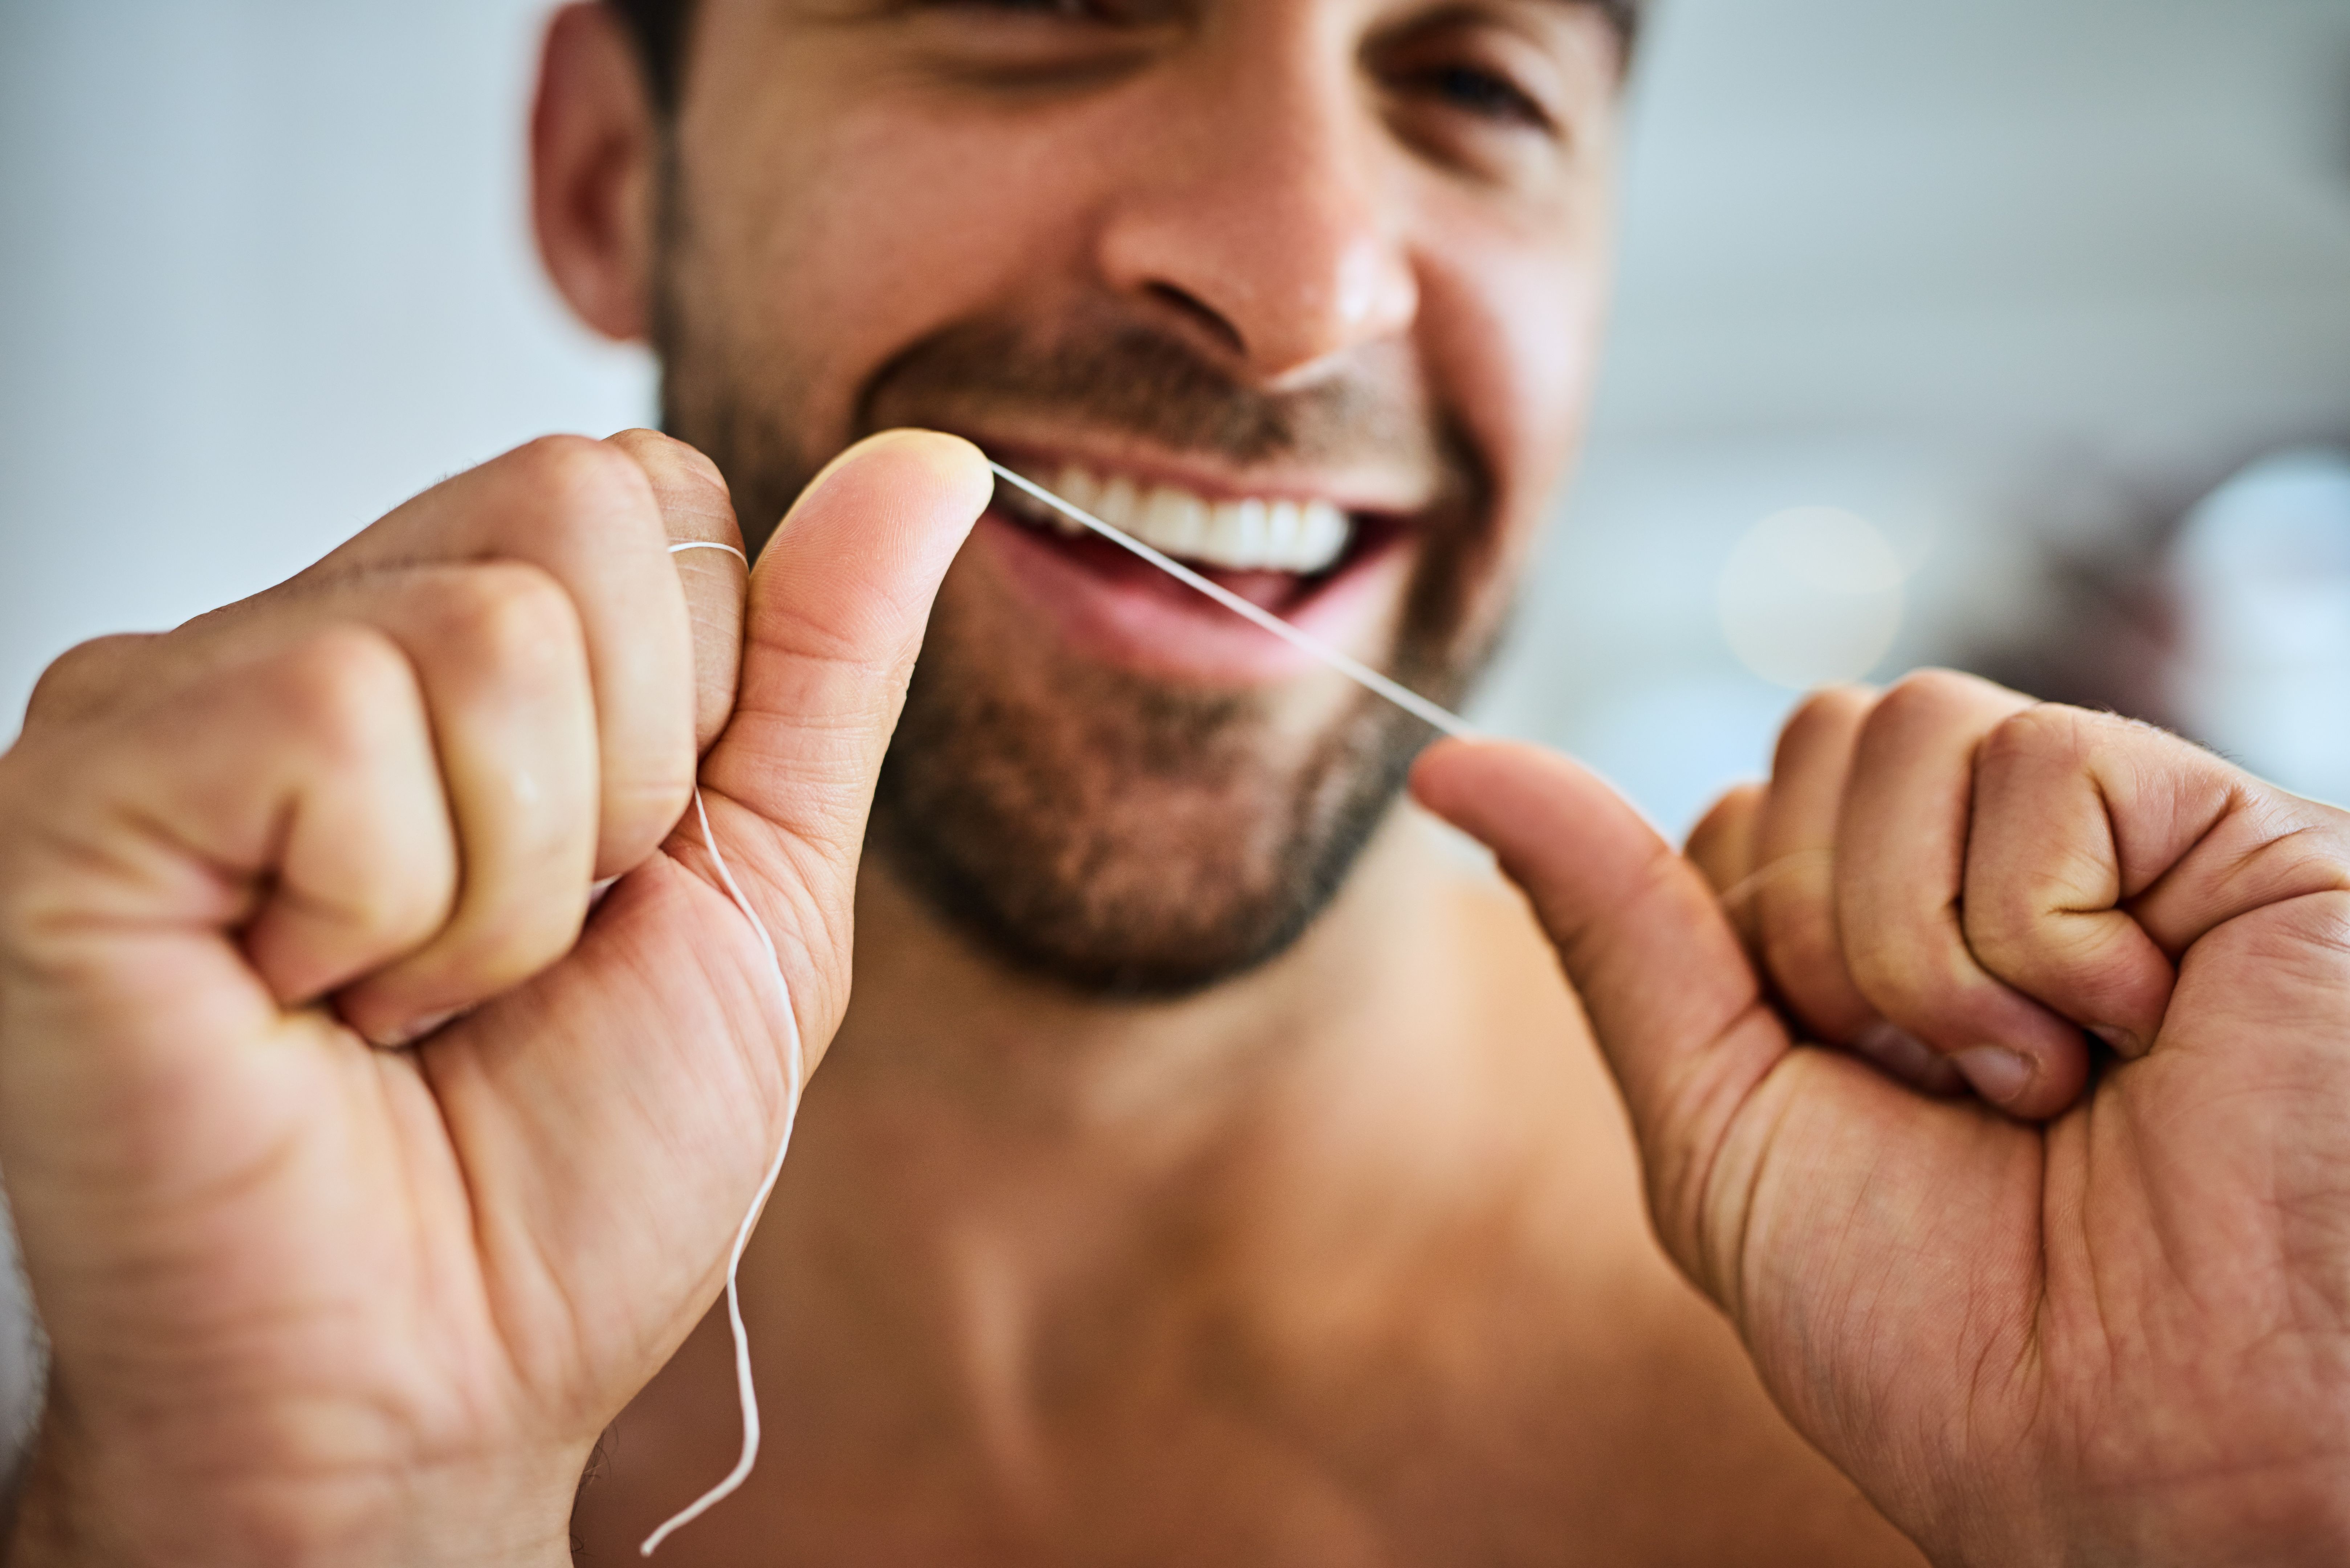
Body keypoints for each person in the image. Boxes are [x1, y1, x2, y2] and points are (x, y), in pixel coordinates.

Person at [0, 1, 2345, 1561]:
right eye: (1050, 1)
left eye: (1470, 83)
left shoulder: (2020, 1424)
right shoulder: (153, 1319)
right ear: (618, 168)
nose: (1306, 286)